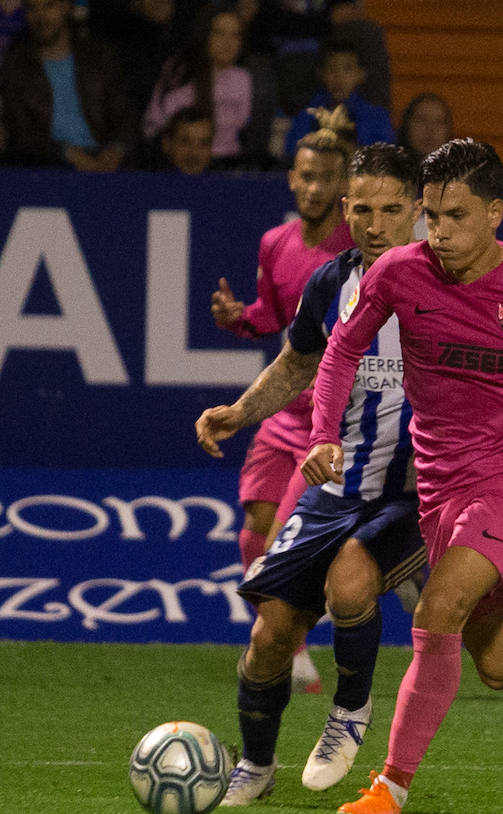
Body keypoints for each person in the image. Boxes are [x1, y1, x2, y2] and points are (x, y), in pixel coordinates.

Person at [195, 143, 503, 805]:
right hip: (377, 487)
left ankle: (370, 750)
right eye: (365, 211)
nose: (379, 225)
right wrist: (256, 415)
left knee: (372, 592)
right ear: (347, 210)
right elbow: (312, 361)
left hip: (443, 488)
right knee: (499, 662)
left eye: (396, 210)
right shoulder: (351, 283)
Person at [212, 105, 356, 692]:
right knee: (253, 531)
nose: (315, 188)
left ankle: (286, 650)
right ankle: (289, 647)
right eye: (307, 176)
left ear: (345, 184)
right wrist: (239, 318)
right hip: (282, 414)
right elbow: (275, 319)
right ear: (292, 178)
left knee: (280, 543)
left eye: (327, 178)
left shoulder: (360, 247)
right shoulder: (275, 243)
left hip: (334, 421)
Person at [0, 0, 136, 170]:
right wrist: (66, 153)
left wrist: (116, 150)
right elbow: (20, 131)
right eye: (32, 9)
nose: (40, 17)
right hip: (47, 165)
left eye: (49, 6)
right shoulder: (16, 64)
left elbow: (126, 115)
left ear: (66, 7)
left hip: (107, 162)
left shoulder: (98, 55)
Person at [142, 4, 263, 169]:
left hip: (226, 166)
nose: (228, 43)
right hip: (177, 165)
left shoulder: (243, 78)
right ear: (205, 35)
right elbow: (155, 125)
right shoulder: (179, 70)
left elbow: (243, 128)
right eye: (219, 33)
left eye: (235, 35)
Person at [281, 35, 392, 164]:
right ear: (321, 74)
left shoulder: (376, 116)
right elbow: (291, 152)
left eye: (347, 69)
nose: (339, 76)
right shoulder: (308, 114)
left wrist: (344, 145)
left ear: (361, 74)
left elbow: (382, 158)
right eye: (332, 68)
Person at [155, 104, 215, 175]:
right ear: (167, 144)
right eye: (186, 142)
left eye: (204, 144)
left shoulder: (221, 180)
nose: (194, 152)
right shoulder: (150, 180)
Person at [397, 91, 452, 161]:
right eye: (421, 120)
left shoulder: (459, 166)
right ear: (407, 125)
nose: (430, 129)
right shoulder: (387, 165)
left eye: (438, 122)